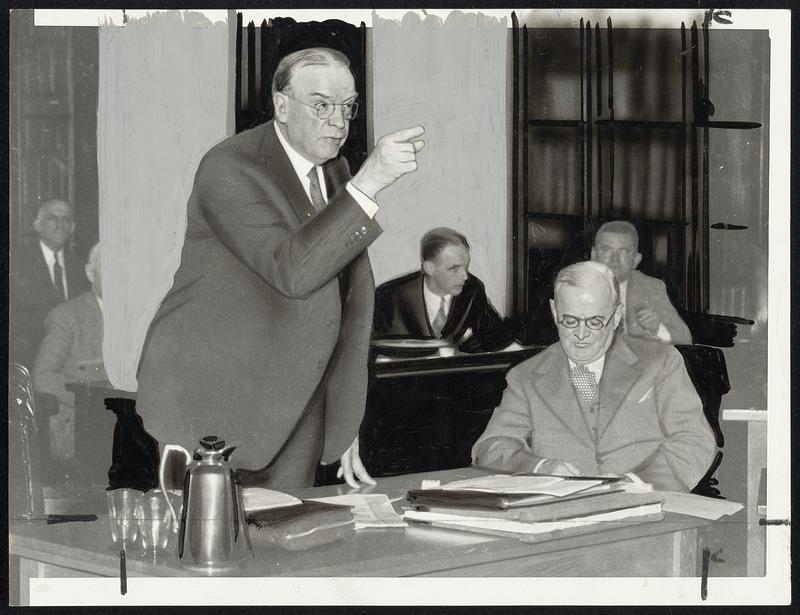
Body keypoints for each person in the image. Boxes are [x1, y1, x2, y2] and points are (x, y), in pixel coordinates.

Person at [136, 47, 425, 488]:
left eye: (348, 107)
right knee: (209, 549)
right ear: (282, 105)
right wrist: (369, 183)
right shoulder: (230, 167)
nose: (339, 121)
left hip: (297, 406)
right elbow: (293, 272)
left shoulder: (333, 172)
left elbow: (343, 303)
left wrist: (342, 419)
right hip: (212, 403)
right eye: (323, 105)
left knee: (292, 549)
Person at [472, 261, 716, 491]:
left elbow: (695, 439)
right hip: (562, 516)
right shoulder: (525, 377)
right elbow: (492, 446)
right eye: (569, 320)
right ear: (555, 311)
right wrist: (540, 467)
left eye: (595, 322)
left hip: (648, 506)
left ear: (616, 316)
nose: (581, 334)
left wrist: (636, 484)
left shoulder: (661, 361)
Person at [373, 227, 515, 352]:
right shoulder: (389, 296)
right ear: (430, 268)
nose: (465, 276)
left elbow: (499, 339)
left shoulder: (473, 289)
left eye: (466, 267)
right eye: (454, 269)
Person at [33, 243, 106, 459]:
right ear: (90, 273)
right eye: (109, 267)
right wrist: (93, 404)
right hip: (78, 432)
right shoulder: (66, 317)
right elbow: (42, 377)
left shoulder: (140, 317)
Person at [10, 199, 90, 366]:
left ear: (73, 228)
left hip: (72, 363)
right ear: (37, 225)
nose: (60, 224)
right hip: (29, 361)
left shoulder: (82, 267)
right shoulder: (17, 263)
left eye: (66, 219)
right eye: (52, 218)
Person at [591, 220, 692, 345]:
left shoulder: (651, 287)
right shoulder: (574, 285)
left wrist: (658, 328)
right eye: (606, 250)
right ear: (593, 255)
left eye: (623, 251)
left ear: (636, 260)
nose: (614, 259)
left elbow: (685, 337)